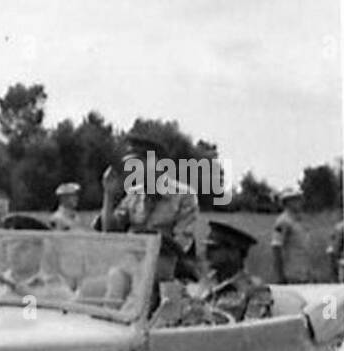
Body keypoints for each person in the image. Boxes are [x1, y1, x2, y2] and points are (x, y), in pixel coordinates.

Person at [98, 132, 200, 281]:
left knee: (122, 279)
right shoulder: (134, 194)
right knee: (93, 286)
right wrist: (108, 194)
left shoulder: (184, 196)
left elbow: (180, 246)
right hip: (131, 267)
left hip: (168, 273)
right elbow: (109, 232)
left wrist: (143, 238)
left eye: (138, 163)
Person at [192, 221, 274, 322]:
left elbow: (254, 331)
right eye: (207, 248)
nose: (207, 253)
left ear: (234, 253)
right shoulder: (206, 282)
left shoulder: (255, 289)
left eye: (214, 248)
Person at [271, 188, 312, 283]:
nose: (300, 202)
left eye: (300, 199)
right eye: (296, 199)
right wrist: (280, 276)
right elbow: (276, 247)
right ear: (288, 202)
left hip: (303, 273)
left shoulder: (299, 221)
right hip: (291, 275)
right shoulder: (283, 221)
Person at [328, 217, 344, 282]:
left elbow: (336, 240)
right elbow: (335, 239)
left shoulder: (339, 227)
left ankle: (337, 280)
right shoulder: (339, 227)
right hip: (339, 252)